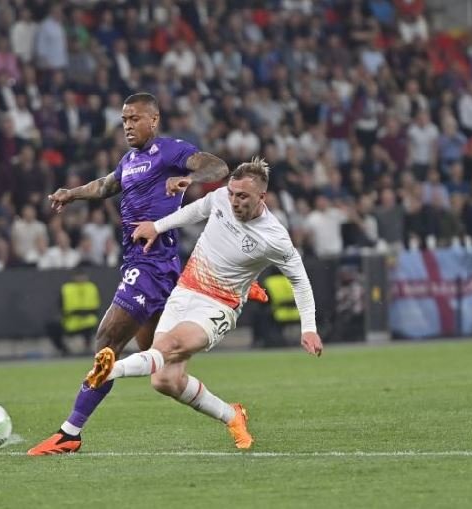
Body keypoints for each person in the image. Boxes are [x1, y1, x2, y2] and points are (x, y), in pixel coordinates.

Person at [28, 92, 232, 455]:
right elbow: (106, 185)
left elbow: (217, 167)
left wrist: (190, 179)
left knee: (106, 338)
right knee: (163, 370)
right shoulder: (129, 161)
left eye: (134, 118)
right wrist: (71, 193)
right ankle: (232, 415)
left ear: (153, 120)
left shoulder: (171, 152)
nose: (127, 126)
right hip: (142, 263)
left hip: (152, 263)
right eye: (123, 120)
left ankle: (70, 432)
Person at [84, 158, 323, 450]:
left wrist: (308, 328)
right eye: (232, 193)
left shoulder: (275, 238)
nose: (234, 200)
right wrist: (157, 227)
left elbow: (299, 280)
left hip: (220, 305)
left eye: (243, 196)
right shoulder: (221, 198)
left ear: (262, 197)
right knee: (164, 380)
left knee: (168, 346)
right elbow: (196, 210)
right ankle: (231, 414)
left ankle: (109, 370)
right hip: (186, 290)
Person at [46, 270, 101, 356]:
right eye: (78, 276)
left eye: (82, 276)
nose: (80, 278)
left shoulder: (91, 287)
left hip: (88, 320)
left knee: (90, 325)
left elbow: (96, 307)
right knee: (51, 326)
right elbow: (60, 306)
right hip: (71, 320)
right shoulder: (67, 288)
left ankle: (87, 348)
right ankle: (64, 350)